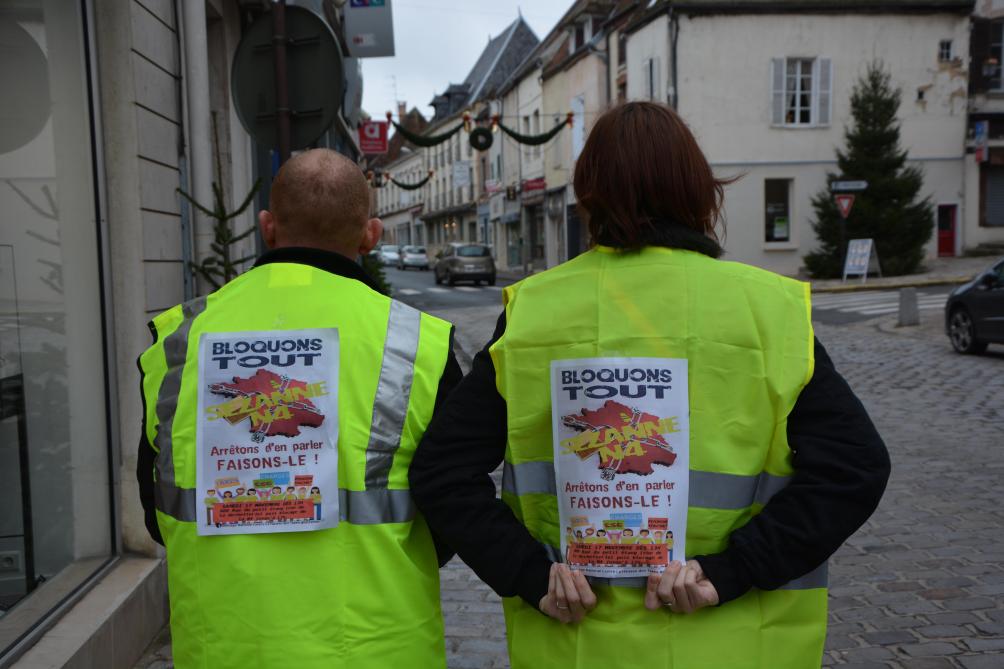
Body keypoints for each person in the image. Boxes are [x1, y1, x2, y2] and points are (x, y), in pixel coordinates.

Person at [410, 102, 889, 669]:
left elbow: (441, 471)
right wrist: (730, 571)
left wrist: (529, 574)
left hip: (579, 644)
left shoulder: (536, 314)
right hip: (737, 643)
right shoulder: (768, 310)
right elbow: (855, 468)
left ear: (588, 195)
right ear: (700, 191)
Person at [137, 148, 462, 668]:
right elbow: (453, 508)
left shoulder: (183, 337)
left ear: (267, 228)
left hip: (227, 645)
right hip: (378, 645)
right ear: (370, 235)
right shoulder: (416, 343)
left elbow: (157, 509)